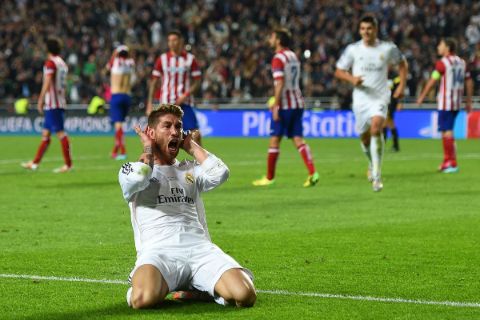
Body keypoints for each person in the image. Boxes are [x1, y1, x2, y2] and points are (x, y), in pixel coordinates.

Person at [119, 104, 256, 309]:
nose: (175, 131)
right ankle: (143, 280)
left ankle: (198, 288)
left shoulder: (190, 169)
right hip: (159, 253)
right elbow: (141, 174)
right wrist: (148, 148)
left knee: (244, 294)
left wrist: (191, 147)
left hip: (200, 250)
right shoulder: (130, 171)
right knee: (142, 299)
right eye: (167, 126)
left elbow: (221, 173)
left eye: (178, 126)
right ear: (151, 132)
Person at [335, 15, 408, 192]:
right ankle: (370, 162)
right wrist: (352, 79)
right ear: (359, 30)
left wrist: (402, 87)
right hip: (360, 99)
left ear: (375, 29)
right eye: (363, 29)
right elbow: (339, 71)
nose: (366, 32)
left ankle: (377, 175)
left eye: (369, 28)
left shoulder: (388, 48)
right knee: (364, 137)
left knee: (376, 128)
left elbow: (402, 64)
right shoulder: (353, 50)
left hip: (380, 97)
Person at [252, 28, 319, 188]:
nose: (270, 39)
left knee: (275, 140)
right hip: (298, 102)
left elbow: (280, 83)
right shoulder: (293, 56)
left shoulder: (278, 58)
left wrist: (276, 105)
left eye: (272, 37)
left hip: (285, 105)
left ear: (279, 40)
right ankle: (312, 172)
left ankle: (269, 177)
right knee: (298, 139)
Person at [416, 38, 474, 173]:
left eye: (440, 45)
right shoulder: (462, 62)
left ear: (447, 47)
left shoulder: (442, 63)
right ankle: (447, 161)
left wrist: (422, 96)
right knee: (447, 131)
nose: (438, 47)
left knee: (447, 132)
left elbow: (433, 80)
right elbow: (469, 81)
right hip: (457, 102)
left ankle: (451, 162)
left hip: (445, 102)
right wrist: (469, 101)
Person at [21, 37, 72, 173]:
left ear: (47, 49)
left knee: (61, 134)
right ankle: (35, 163)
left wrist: (40, 99)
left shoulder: (50, 63)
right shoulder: (62, 63)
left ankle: (68, 165)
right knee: (46, 134)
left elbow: (47, 82)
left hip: (53, 103)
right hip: (58, 101)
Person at [147, 30, 202, 143]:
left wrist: (185, 95)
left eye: (174, 40)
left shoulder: (190, 59)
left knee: (195, 135)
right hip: (166, 104)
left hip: (185, 103)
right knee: (162, 136)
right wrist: (149, 103)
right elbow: (154, 82)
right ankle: (160, 160)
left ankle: (201, 161)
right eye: (169, 40)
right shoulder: (162, 59)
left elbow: (197, 81)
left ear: (181, 41)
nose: (172, 43)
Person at [106, 45, 136, 160]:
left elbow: (106, 68)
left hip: (116, 95)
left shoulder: (115, 61)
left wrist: (115, 53)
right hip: (127, 96)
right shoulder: (130, 63)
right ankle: (115, 151)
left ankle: (122, 152)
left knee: (118, 125)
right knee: (120, 125)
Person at [383, 75, 402, 152]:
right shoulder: (381, 74)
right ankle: (395, 146)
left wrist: (399, 102)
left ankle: (382, 145)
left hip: (391, 103)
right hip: (383, 102)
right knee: (389, 123)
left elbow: (400, 90)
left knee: (387, 123)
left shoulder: (395, 78)